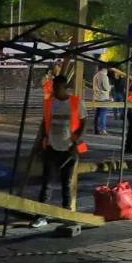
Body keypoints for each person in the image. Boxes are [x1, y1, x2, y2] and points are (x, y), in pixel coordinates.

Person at [34, 74, 86, 213]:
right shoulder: (50, 103)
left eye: (57, 88)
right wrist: (41, 143)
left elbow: (84, 122)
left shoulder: (75, 102)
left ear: (64, 87)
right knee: (47, 184)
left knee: (66, 184)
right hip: (52, 147)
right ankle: (42, 214)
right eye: (54, 87)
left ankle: (66, 213)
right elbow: (45, 123)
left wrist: (75, 140)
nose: (55, 91)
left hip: (69, 149)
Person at [91, 66, 112, 135]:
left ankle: (96, 129)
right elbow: (106, 87)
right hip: (103, 97)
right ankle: (103, 129)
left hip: (97, 97)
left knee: (97, 114)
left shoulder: (96, 75)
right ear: (104, 69)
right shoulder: (104, 76)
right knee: (103, 114)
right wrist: (110, 87)